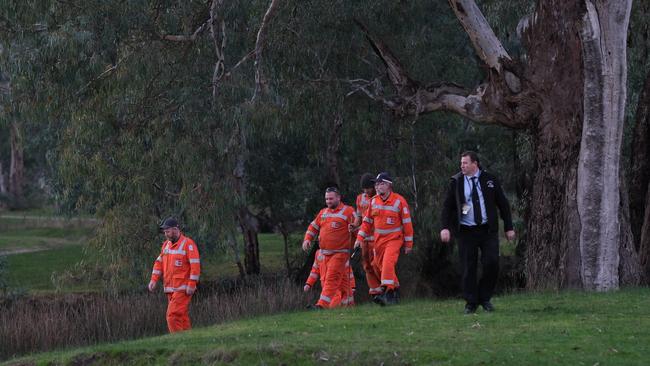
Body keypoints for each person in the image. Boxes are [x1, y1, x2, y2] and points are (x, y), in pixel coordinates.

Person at [440, 151, 515, 314]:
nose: (462, 166)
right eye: (461, 163)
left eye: (465, 163)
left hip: (487, 230)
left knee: (492, 263)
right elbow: (447, 206)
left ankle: (485, 297)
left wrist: (509, 227)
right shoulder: (456, 181)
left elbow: (503, 204)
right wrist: (445, 227)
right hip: (467, 231)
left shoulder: (490, 180)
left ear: (475, 164)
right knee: (468, 268)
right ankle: (471, 302)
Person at [354, 172, 414, 305]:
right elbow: (367, 222)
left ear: (388, 185)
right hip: (378, 241)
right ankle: (395, 290)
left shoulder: (399, 201)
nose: (377, 186)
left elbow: (407, 224)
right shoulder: (373, 201)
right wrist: (359, 238)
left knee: (387, 263)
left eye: (381, 184)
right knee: (376, 266)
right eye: (376, 184)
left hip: (394, 240)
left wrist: (408, 244)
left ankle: (388, 293)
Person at [303, 187, 356, 309]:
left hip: (340, 253)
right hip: (325, 254)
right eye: (326, 199)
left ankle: (321, 305)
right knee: (343, 283)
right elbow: (313, 227)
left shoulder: (348, 211)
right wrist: (307, 240)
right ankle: (350, 305)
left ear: (338, 198)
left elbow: (357, 227)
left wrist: (359, 241)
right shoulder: (323, 213)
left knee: (330, 278)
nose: (328, 201)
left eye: (331, 198)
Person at [148, 217, 201, 332]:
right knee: (181, 316)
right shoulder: (165, 245)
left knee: (172, 316)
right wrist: (153, 280)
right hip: (170, 289)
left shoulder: (188, 244)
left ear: (176, 230)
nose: (165, 234)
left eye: (167, 231)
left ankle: (177, 342)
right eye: (165, 231)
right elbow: (159, 263)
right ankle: (188, 341)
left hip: (183, 289)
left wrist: (192, 284)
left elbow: (195, 265)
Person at [349, 173, 382, 297]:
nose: (366, 191)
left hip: (377, 237)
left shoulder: (380, 197)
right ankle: (375, 291)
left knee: (377, 264)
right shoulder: (360, 198)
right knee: (367, 264)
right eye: (364, 188)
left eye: (368, 188)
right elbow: (359, 217)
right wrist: (354, 225)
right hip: (364, 238)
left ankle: (386, 287)